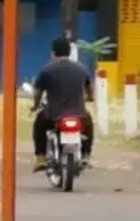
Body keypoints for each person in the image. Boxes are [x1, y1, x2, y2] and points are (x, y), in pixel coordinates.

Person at [31, 38, 95, 171]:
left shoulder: (47, 69)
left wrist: (36, 105)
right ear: (70, 52)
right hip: (79, 113)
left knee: (39, 125)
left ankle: (40, 158)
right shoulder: (81, 68)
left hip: (54, 113)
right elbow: (89, 87)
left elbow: (38, 91)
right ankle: (86, 155)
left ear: (53, 52)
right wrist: (90, 98)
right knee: (88, 126)